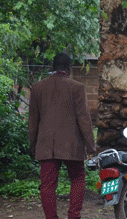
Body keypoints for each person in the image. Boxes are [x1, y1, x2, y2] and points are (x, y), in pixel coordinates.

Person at [29, 52, 96, 219]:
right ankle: (74, 216)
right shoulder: (77, 87)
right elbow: (84, 118)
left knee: (47, 185)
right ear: (69, 68)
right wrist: (91, 145)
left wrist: (33, 145)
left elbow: (32, 122)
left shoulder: (37, 88)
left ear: (52, 67)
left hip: (46, 145)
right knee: (78, 178)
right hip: (72, 144)